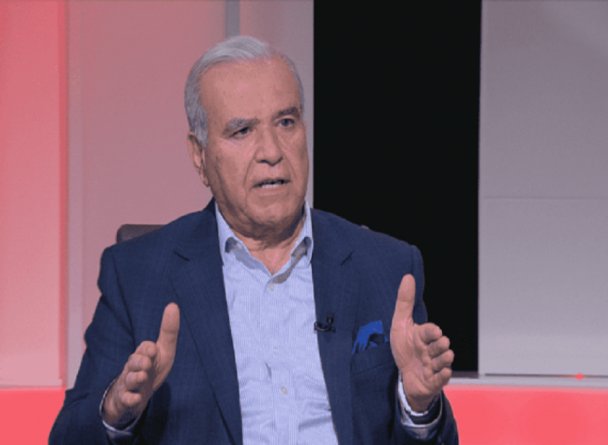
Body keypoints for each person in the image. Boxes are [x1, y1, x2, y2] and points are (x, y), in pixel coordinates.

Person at [49, 36, 459, 444]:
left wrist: (418, 406)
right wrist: (117, 412)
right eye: (242, 130)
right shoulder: (137, 276)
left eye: (286, 123)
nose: (272, 151)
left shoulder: (386, 268)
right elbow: (69, 437)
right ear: (199, 155)